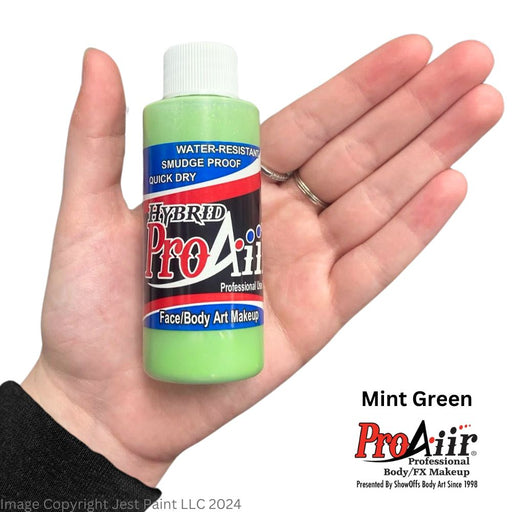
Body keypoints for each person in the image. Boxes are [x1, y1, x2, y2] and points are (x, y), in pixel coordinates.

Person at [0, 35, 503, 507]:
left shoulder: (234, 119)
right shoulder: (173, 119)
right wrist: (76, 415)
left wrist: (69, 436)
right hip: (164, 323)